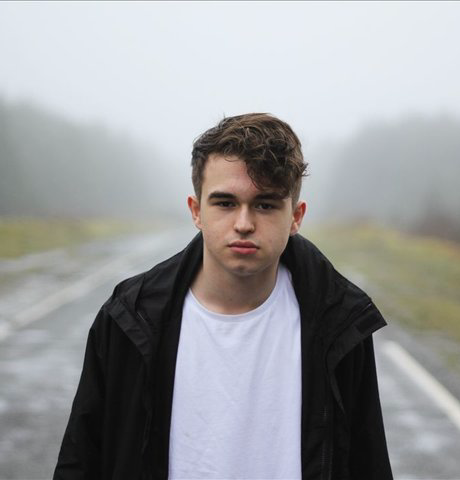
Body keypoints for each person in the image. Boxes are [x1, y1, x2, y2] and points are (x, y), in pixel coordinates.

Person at [53, 113, 393, 480]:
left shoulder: (340, 321)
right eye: (226, 203)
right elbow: (81, 461)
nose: (244, 224)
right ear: (196, 210)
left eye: (265, 204)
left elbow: (367, 463)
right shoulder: (128, 318)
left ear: (296, 216)